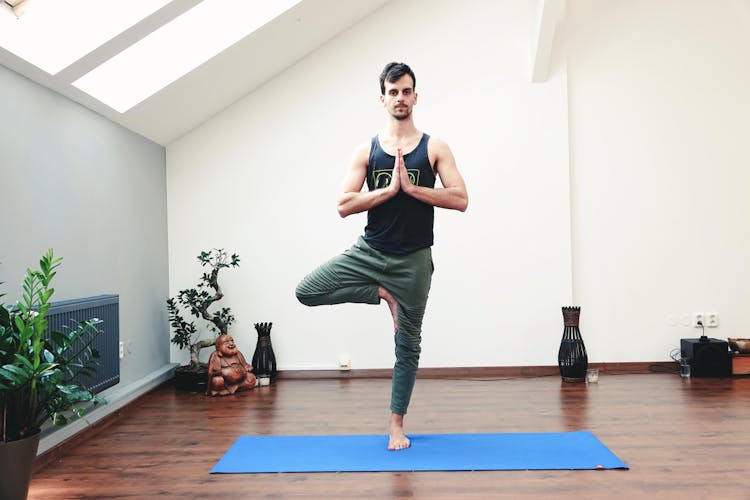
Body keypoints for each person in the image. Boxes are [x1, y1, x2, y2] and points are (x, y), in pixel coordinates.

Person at [295, 62, 468, 450]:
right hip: (370, 252)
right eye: (393, 92)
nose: (400, 98)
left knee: (408, 345)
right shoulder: (368, 150)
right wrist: (387, 192)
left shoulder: (435, 148)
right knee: (306, 291)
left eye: (406, 91)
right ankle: (381, 294)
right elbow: (343, 205)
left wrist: (413, 189)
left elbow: (460, 198)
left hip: (414, 262)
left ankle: (395, 424)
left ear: (415, 96)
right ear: (383, 98)